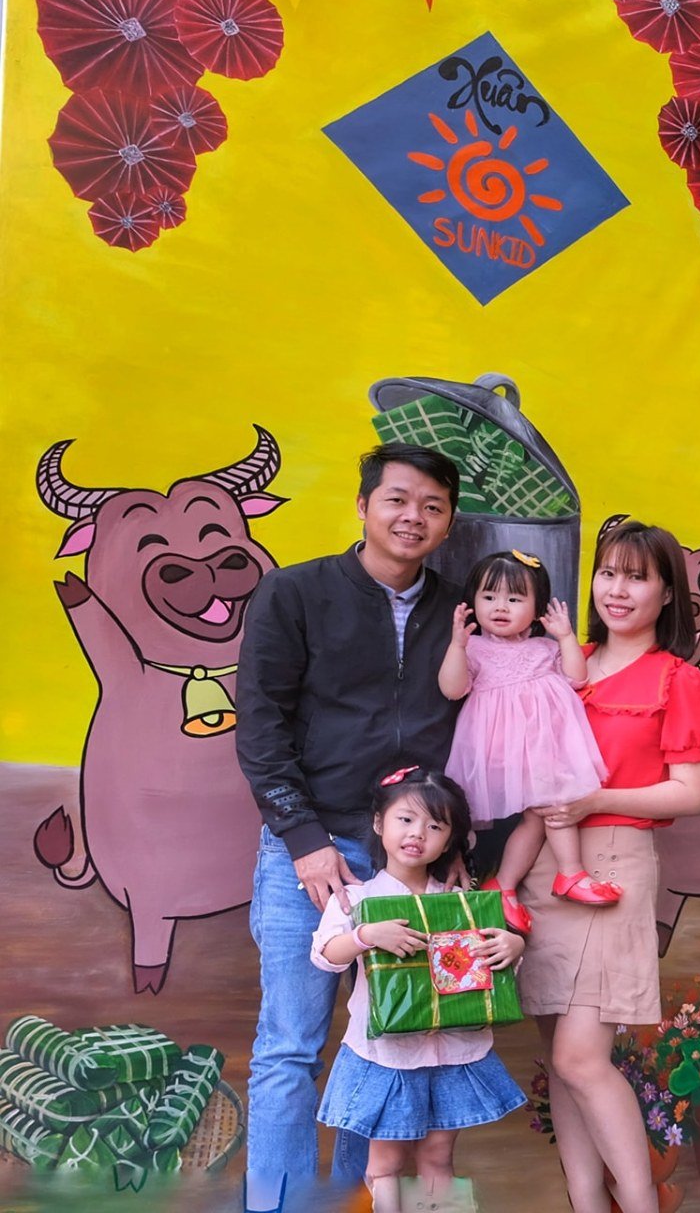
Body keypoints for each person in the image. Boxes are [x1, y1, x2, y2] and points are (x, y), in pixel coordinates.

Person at [235, 443, 465, 1213]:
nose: (413, 517)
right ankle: (280, 1205)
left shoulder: (460, 610)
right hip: (311, 848)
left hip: (411, 859)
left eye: (432, 506)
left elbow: (487, 727)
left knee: (395, 1044)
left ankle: (363, 1202)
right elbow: (260, 727)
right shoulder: (294, 594)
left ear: (448, 523)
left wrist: (457, 850)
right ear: (364, 506)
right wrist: (302, 840)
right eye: (397, 499)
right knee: (290, 1048)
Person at [517, 519, 700, 1213]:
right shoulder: (561, 662)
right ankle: (587, 1204)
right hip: (543, 861)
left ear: (666, 594)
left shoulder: (678, 679)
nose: (618, 589)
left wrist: (595, 799)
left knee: (580, 1056)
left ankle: (640, 1204)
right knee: (560, 1058)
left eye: (637, 577)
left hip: (612, 862)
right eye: (608, 573)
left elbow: (691, 792)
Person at [311, 767, 527, 1213]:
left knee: (438, 1158)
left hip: (452, 1053)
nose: (417, 834)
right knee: (385, 1164)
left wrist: (514, 945)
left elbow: (493, 963)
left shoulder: (460, 902)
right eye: (405, 819)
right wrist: (366, 935)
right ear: (379, 823)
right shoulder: (358, 899)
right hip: (387, 1058)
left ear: (449, 842)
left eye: (434, 826)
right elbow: (326, 955)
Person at [439, 549, 612, 932]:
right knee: (551, 808)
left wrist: (565, 637)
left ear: (537, 610)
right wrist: (457, 645)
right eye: (489, 597)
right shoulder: (474, 648)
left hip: (543, 753)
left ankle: (506, 886)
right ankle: (568, 873)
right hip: (501, 755)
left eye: (515, 599)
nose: (500, 607)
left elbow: (577, 678)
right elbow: (452, 689)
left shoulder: (545, 648)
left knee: (542, 814)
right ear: (473, 602)